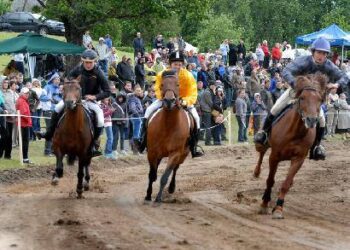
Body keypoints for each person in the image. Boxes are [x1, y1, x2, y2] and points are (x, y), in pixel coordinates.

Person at [254, 37, 350, 160]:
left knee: (321, 119)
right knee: (276, 107)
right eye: (319, 52)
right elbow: (286, 71)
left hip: (313, 97)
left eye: (324, 53)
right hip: (296, 90)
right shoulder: (303, 61)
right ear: (313, 51)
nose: (321, 56)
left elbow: (344, 77)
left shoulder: (328, 65)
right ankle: (263, 133)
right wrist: (296, 84)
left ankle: (317, 146)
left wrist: (337, 84)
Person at [36, 49, 111, 157]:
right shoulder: (78, 69)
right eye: (86, 62)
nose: (88, 65)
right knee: (57, 108)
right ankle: (49, 134)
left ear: (95, 62)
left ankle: (94, 144)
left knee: (100, 117)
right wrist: (65, 86)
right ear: (83, 61)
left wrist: (94, 96)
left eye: (90, 62)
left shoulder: (99, 73)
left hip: (90, 100)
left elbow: (107, 91)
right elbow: (68, 79)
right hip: (73, 98)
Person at [138, 51, 204, 157]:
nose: (177, 66)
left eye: (179, 64)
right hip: (166, 98)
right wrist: (163, 98)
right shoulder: (162, 74)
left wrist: (185, 101)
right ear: (170, 64)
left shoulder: (188, 75)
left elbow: (192, 92)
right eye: (175, 64)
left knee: (196, 118)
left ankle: (194, 147)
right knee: (148, 110)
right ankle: (143, 140)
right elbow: (157, 88)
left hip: (183, 100)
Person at [16, 87, 33, 164]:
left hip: (24, 123)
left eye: (28, 93)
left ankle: (24, 157)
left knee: (25, 141)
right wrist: (29, 120)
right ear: (22, 93)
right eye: (26, 93)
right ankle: (25, 158)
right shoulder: (22, 101)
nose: (27, 94)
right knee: (25, 142)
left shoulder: (23, 100)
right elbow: (24, 113)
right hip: (24, 124)